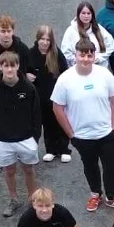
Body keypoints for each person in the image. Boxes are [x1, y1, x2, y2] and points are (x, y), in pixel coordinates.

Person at [52, 38, 114, 211]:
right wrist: (70, 134)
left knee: (111, 167)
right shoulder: (65, 79)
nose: (85, 59)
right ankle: (95, 194)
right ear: (75, 55)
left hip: (106, 133)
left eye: (89, 55)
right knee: (90, 166)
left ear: (94, 56)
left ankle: (112, 196)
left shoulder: (104, 74)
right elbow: (57, 108)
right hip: (82, 136)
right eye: (82, 55)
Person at [0, 51, 41, 217]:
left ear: (18, 66)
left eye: (12, 65)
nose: (9, 69)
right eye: (5, 65)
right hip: (3, 140)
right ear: (0, 67)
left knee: (28, 169)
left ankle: (32, 199)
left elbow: (36, 116)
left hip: (26, 139)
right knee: (8, 171)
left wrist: (34, 138)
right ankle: (13, 199)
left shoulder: (29, 89)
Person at [0, 16, 35, 172]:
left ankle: (20, 150)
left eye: (8, 31)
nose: (5, 34)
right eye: (2, 31)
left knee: (20, 121)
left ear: (13, 31)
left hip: (19, 94)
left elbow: (28, 70)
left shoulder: (22, 49)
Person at [30, 25, 72, 163]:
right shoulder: (30, 54)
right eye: (42, 39)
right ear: (38, 39)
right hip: (39, 97)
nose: (45, 42)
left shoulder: (56, 53)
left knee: (59, 121)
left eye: (48, 39)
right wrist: (26, 75)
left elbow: (65, 72)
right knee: (46, 123)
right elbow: (22, 70)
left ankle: (64, 149)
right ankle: (51, 149)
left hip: (56, 96)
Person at [60, 1, 113, 66]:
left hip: (98, 68)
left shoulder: (99, 29)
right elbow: (66, 51)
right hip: (79, 69)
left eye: (88, 13)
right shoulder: (71, 31)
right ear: (78, 14)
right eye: (83, 13)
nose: (86, 16)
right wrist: (79, 61)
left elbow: (110, 45)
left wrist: (98, 59)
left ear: (92, 15)